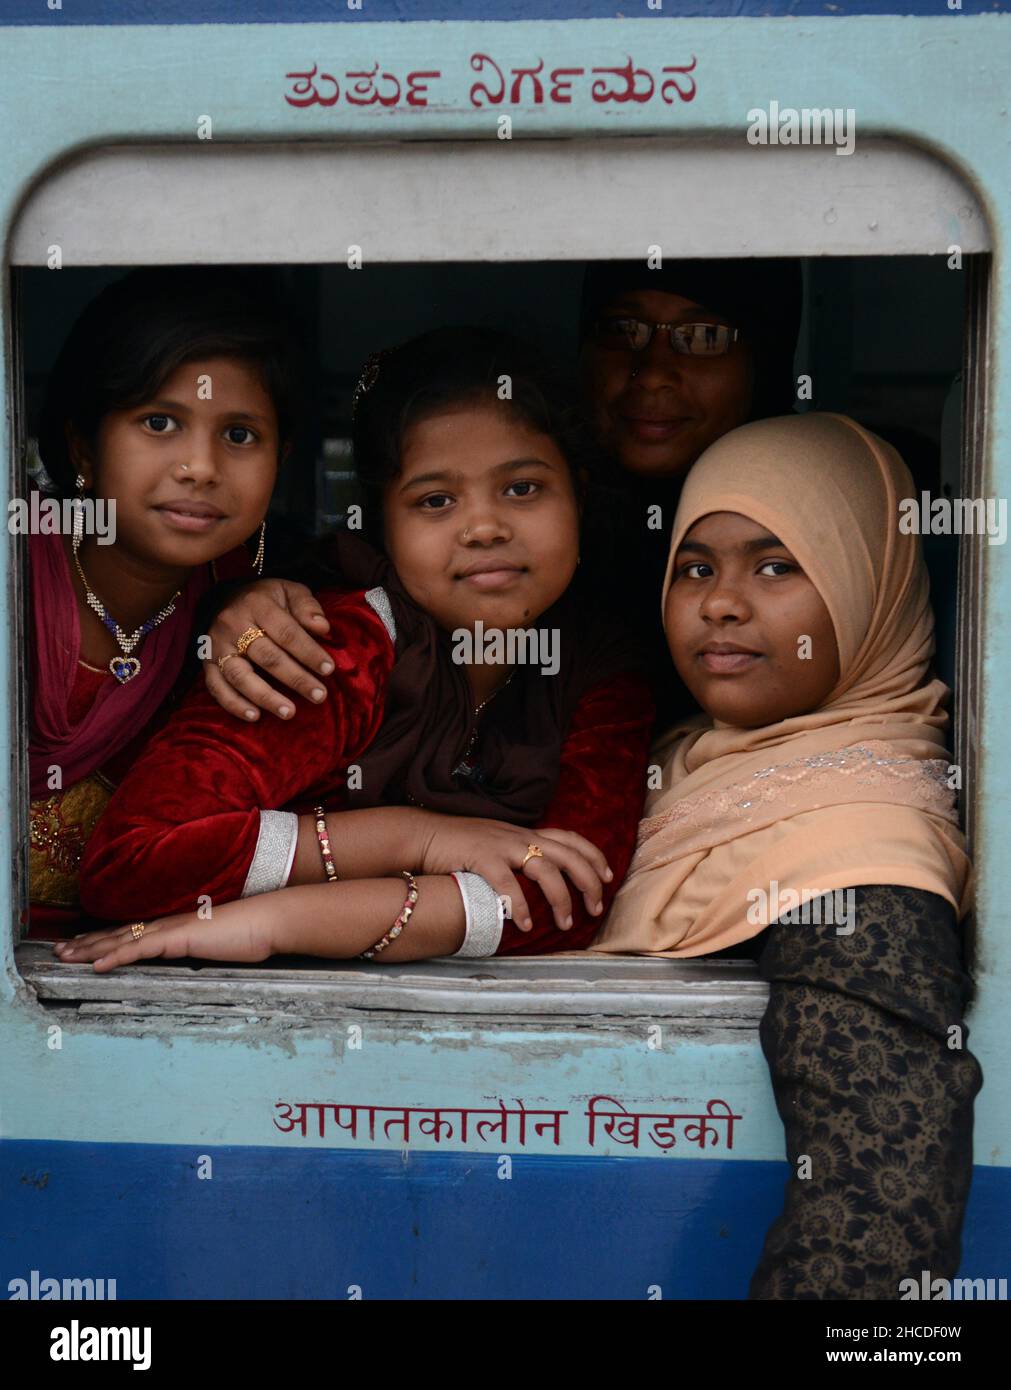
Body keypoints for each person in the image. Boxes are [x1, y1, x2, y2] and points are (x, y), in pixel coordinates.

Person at [59, 328, 654, 969]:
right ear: (380, 524)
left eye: (522, 489)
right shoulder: (333, 645)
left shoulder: (603, 666)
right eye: (435, 501)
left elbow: (569, 900)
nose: (484, 528)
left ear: (580, 495)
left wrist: (278, 921)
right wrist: (420, 839)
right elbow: (131, 865)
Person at [590, 412, 983, 1298]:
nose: (720, 602)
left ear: (868, 581)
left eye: (775, 566)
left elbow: (880, 1196)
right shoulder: (679, 760)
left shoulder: (864, 843)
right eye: (695, 568)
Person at [195, 257, 803, 727]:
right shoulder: (357, 628)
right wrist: (237, 607)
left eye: (703, 337)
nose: (655, 370)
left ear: (767, 359)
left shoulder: (821, 530)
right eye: (623, 330)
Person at [27, 268, 300, 936]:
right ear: (82, 445)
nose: (200, 467)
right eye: (159, 422)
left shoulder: (255, 621)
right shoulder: (19, 575)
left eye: (239, 435)